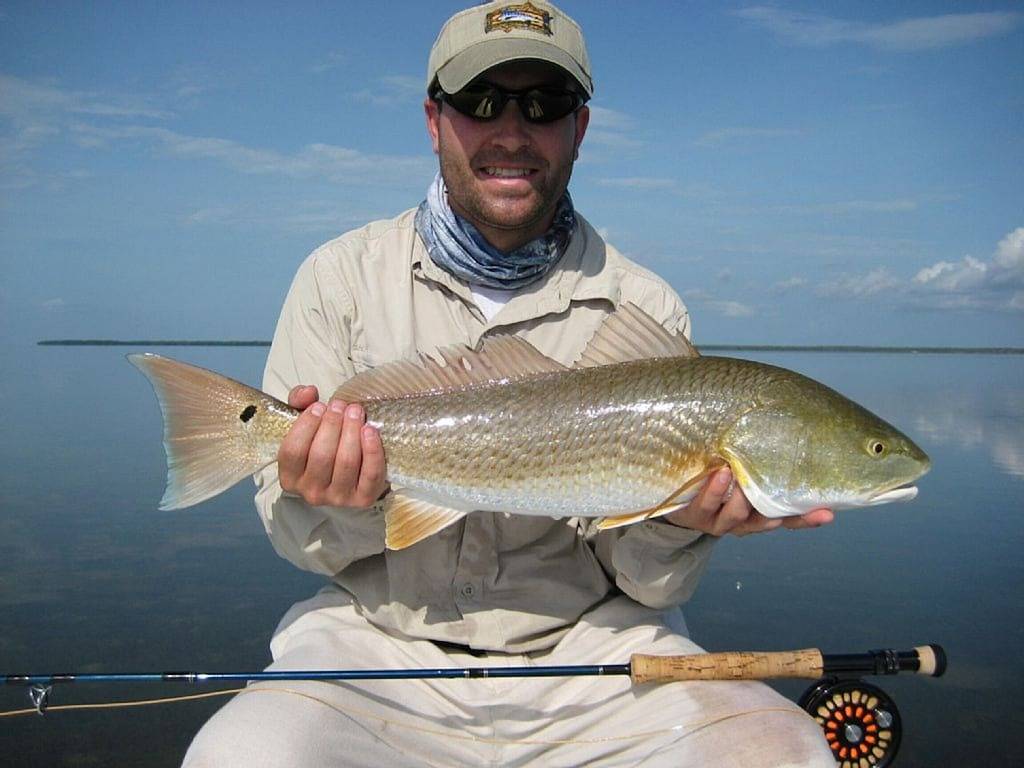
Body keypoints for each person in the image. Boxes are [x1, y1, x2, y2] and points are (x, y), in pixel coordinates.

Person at [183, 3, 835, 766]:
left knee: (784, 752)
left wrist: (682, 520)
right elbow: (302, 546)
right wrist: (342, 496)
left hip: (597, 655)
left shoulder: (645, 307)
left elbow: (647, 585)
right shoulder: (339, 279)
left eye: (545, 104)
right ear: (434, 120)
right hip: (376, 641)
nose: (512, 129)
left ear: (580, 129)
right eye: (481, 101)